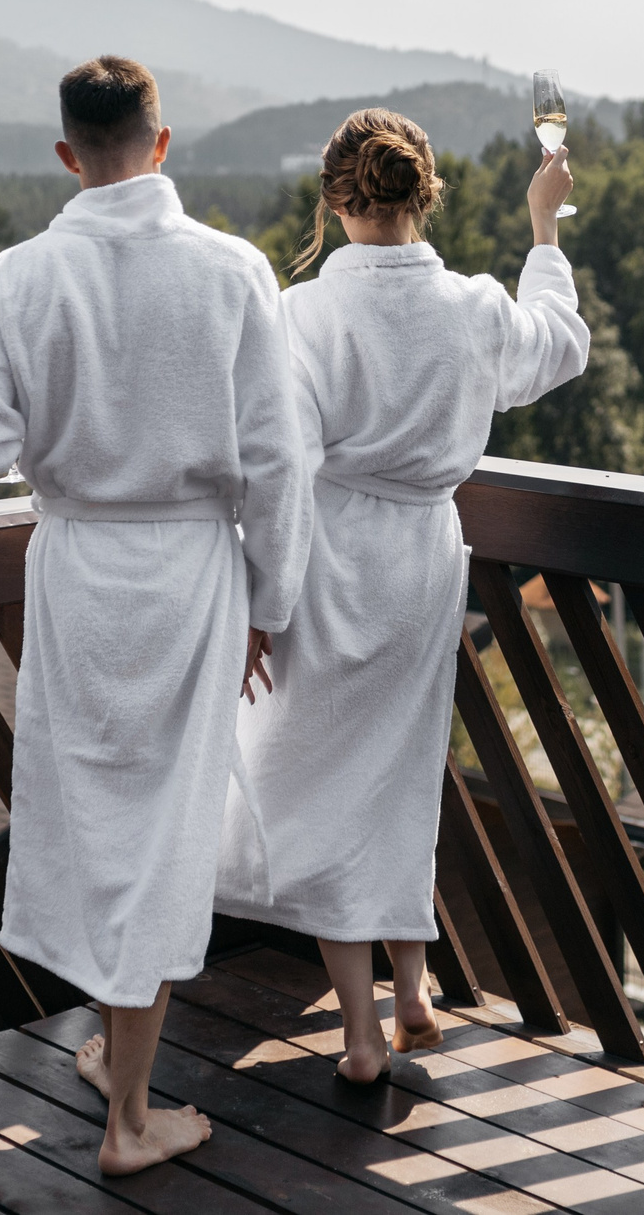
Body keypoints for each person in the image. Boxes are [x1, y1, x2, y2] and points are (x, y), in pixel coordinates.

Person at [0, 56, 312, 1173]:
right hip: (193, 575)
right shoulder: (234, 272)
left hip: (80, 574)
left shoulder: (17, 276)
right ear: (161, 140)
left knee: (90, 814)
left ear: (65, 154)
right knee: (166, 828)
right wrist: (269, 602)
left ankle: (118, 1061)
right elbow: (277, 465)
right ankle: (130, 1119)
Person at [214, 107, 586, 1083]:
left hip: (329, 558)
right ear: (426, 192)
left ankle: (361, 1034)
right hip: (426, 558)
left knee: (313, 784)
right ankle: (411, 990)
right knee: (394, 771)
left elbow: (278, 465)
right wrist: (543, 232)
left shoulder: (303, 318)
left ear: (335, 199)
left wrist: (258, 596)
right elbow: (559, 346)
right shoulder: (470, 309)